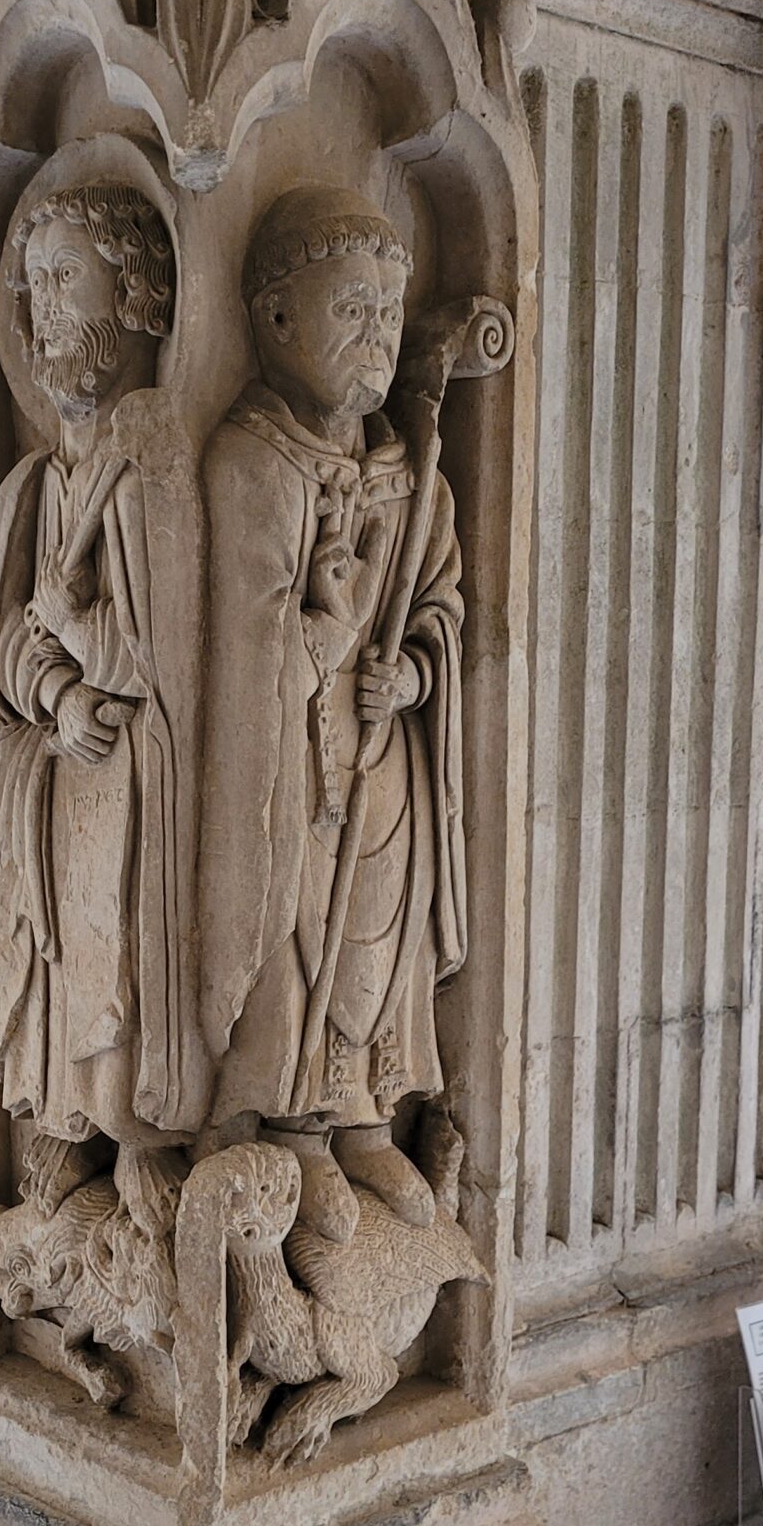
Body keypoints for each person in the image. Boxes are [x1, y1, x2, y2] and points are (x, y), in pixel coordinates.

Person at [199, 184, 466, 1243]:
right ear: (273, 319)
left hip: (378, 759)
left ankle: (361, 1120)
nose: (376, 338)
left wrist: (407, 677)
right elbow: (239, 650)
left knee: (373, 941)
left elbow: (443, 602)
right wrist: (322, 626)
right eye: (351, 310)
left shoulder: (412, 476)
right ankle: (293, 1131)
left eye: (388, 317)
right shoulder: (249, 460)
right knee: (295, 929)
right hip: (284, 776)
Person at [0, 177, 201, 1223]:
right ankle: (67, 1127)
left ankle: (137, 1131)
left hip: (139, 769)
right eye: (33, 286)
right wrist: (54, 688)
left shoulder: (149, 455)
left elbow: (160, 653)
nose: (44, 309)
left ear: (138, 295)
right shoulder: (33, 485)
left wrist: (75, 632)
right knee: (61, 945)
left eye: (67, 277)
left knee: (118, 944)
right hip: (60, 763)